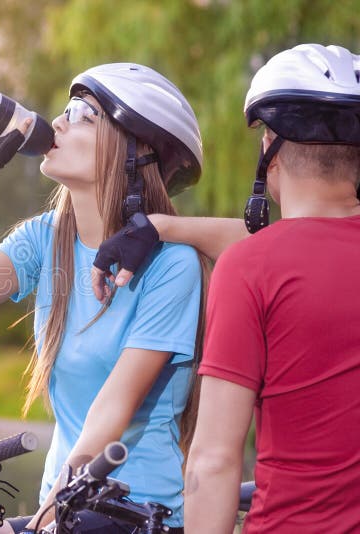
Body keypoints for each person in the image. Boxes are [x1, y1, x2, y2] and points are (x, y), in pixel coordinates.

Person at [0, 63, 207, 533]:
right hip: (61, 510)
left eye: (83, 114)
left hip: (133, 515)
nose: (57, 123)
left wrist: (40, 522)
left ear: (135, 150)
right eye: (65, 109)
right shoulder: (47, 239)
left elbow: (109, 414)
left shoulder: (171, 265)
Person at [93, 44, 360, 532]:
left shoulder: (251, 269)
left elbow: (213, 460)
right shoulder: (257, 262)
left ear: (270, 148)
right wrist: (161, 226)